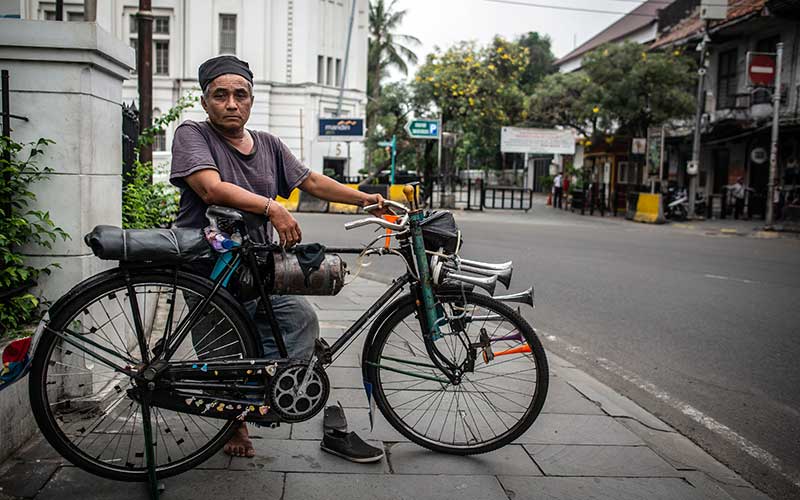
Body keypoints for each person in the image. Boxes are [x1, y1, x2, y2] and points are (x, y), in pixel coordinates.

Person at [170, 55, 386, 462]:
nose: (231, 103)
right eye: (221, 95)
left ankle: (258, 401)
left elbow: (312, 181)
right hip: (206, 267)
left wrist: (366, 200)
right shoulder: (192, 134)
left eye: (240, 94)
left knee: (298, 319)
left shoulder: (268, 144)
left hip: (257, 266)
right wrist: (273, 208)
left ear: (251, 100)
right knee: (221, 350)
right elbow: (211, 189)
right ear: (205, 101)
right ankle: (236, 423)